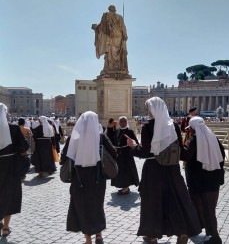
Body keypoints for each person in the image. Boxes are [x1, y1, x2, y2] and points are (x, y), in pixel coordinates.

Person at [125, 97, 201, 244]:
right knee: (175, 200)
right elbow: (180, 150)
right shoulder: (173, 125)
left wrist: (133, 146)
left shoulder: (147, 127)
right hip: (172, 169)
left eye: (149, 108)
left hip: (153, 170)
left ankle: (152, 235)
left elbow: (145, 152)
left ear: (153, 109)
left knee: (152, 202)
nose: (148, 111)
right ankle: (182, 231)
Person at [66, 111, 117, 244]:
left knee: (83, 207)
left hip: (79, 178)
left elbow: (63, 159)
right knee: (97, 205)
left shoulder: (74, 137)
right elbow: (114, 152)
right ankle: (98, 235)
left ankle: (88, 239)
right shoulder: (101, 137)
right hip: (97, 178)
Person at [181, 116, 225, 244]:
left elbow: (186, 156)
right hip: (213, 180)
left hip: (197, 181)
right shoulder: (214, 138)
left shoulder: (194, 140)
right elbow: (222, 156)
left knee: (202, 208)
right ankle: (204, 230)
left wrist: (179, 143)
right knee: (209, 209)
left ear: (193, 128)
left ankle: (215, 237)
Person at [0, 103, 29, 238]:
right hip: (10, 167)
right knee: (9, 195)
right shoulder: (13, 129)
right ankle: (5, 227)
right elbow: (23, 147)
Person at [92, 5, 128, 76]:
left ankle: (110, 68)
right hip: (119, 37)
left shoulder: (106, 15)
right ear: (115, 9)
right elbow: (123, 27)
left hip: (111, 37)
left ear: (109, 9)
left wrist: (96, 28)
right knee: (118, 53)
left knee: (110, 53)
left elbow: (101, 26)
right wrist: (125, 35)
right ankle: (118, 68)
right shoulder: (120, 17)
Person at [111, 116, 139, 195]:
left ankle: (126, 189)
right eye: (121, 121)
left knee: (127, 173)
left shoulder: (130, 131)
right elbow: (113, 140)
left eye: (124, 121)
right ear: (119, 123)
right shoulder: (117, 131)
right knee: (121, 173)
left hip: (127, 156)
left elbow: (135, 143)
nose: (123, 123)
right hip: (119, 156)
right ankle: (124, 187)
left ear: (127, 122)